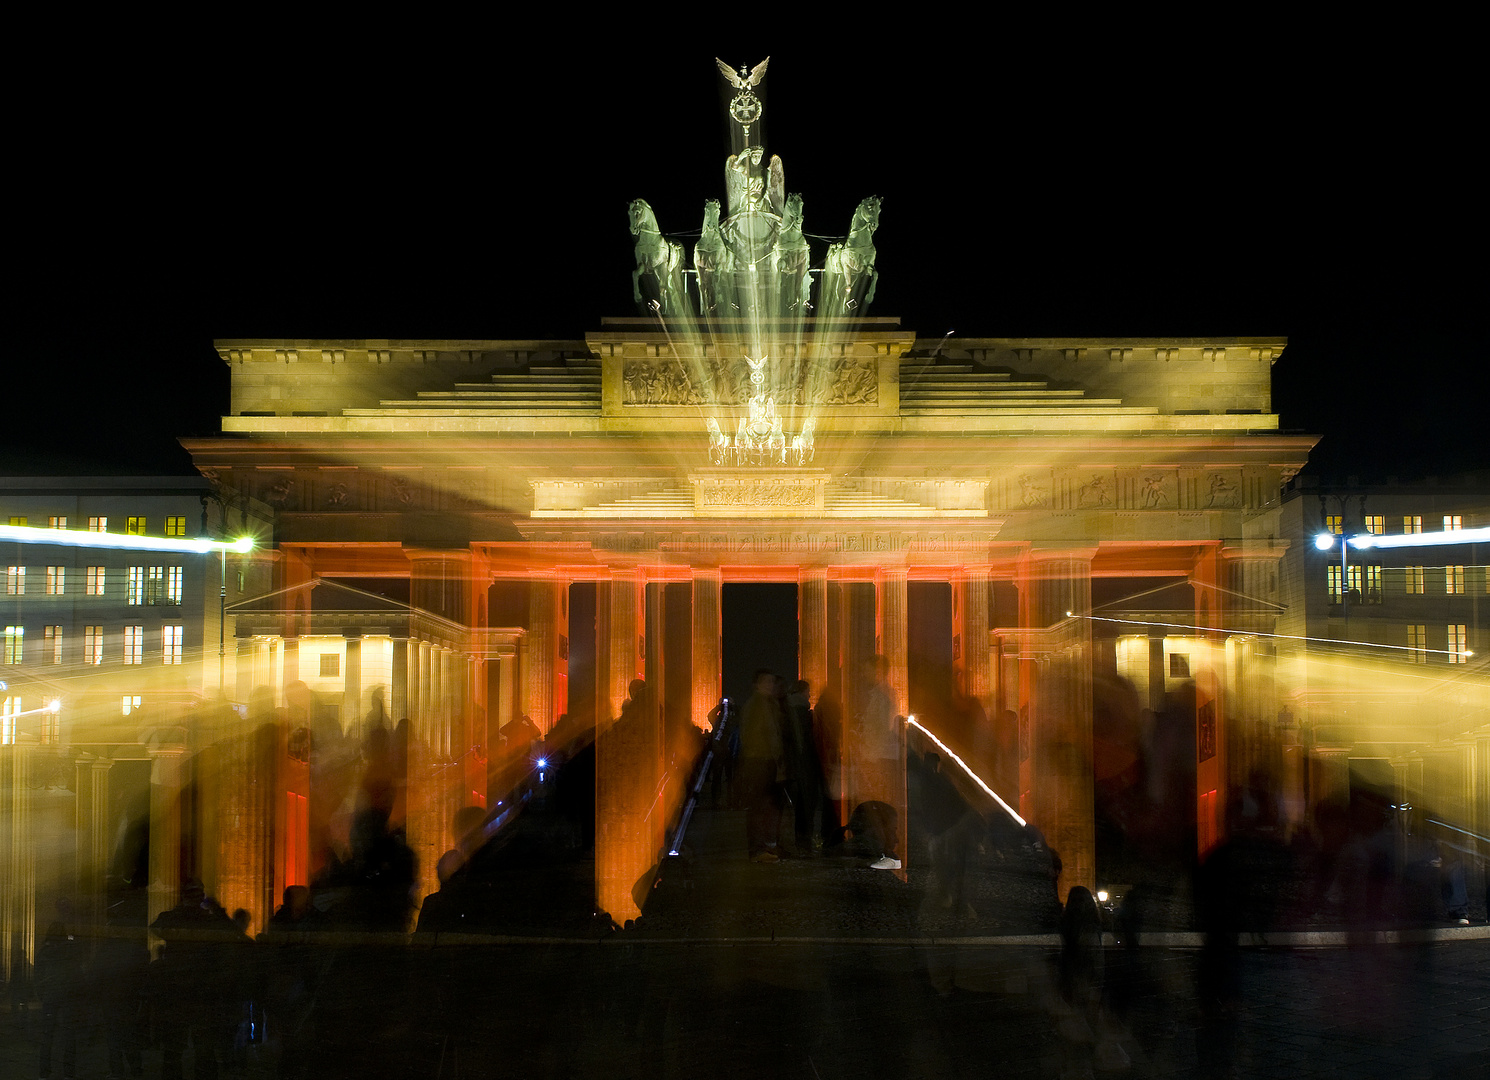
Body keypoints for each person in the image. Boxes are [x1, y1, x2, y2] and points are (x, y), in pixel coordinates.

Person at [854, 655, 901, 869]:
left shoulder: (881, 696)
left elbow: (879, 731)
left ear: (878, 671)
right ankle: (886, 850)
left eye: (867, 670)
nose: (864, 675)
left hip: (878, 758)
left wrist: (866, 755)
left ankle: (888, 853)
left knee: (880, 807)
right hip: (879, 756)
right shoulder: (880, 694)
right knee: (880, 807)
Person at [739, 669, 785, 862]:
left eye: (772, 682)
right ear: (756, 685)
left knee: (765, 806)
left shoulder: (767, 704)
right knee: (758, 807)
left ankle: (763, 847)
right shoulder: (757, 705)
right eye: (766, 682)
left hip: (766, 762)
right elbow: (751, 735)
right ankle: (757, 850)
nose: (770, 685)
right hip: (759, 762)